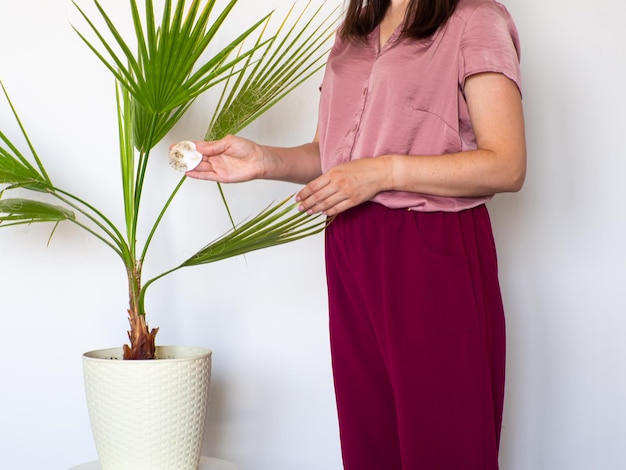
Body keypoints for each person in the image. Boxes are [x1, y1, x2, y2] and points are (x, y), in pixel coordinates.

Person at [185, 0, 526, 468]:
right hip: (350, 241)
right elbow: (338, 158)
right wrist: (265, 160)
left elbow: (506, 163)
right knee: (370, 442)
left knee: (445, 444)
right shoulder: (355, 29)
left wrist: (383, 172)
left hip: (429, 246)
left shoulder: (475, 19)